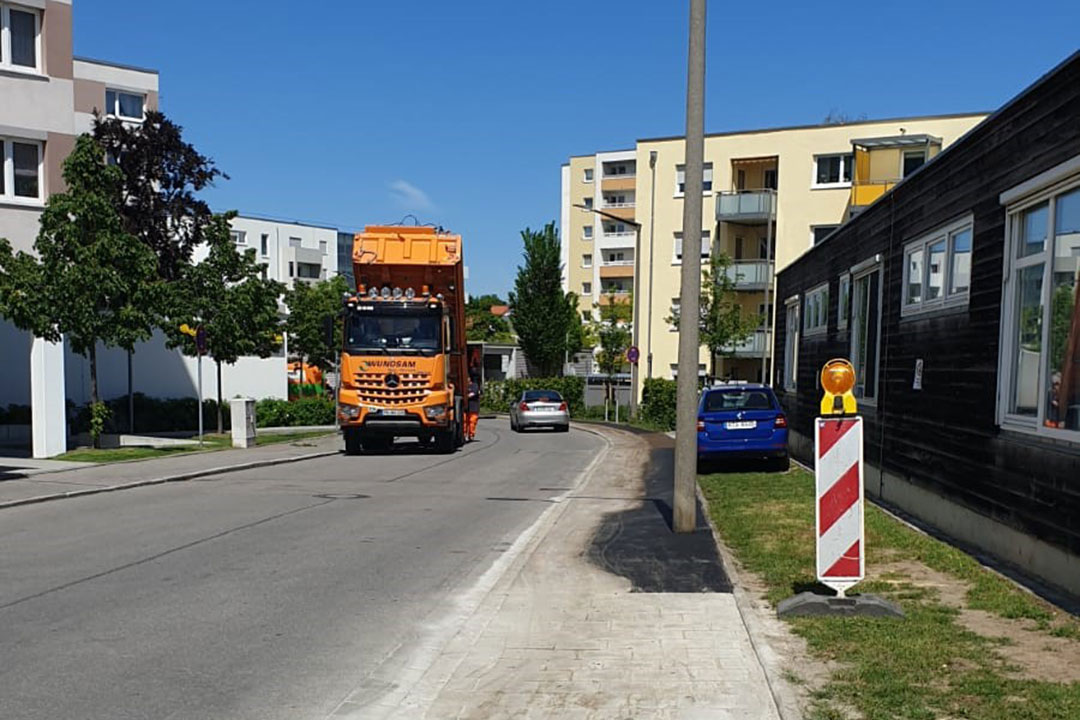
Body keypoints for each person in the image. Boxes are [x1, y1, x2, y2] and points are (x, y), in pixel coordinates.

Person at [465, 372, 481, 441]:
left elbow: (473, 394)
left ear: (469, 379)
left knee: (472, 422)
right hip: (465, 408)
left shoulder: (474, 386)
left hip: (473, 408)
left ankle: (471, 435)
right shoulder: (464, 387)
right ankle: (464, 435)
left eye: (467, 378)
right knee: (465, 422)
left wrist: (467, 396)